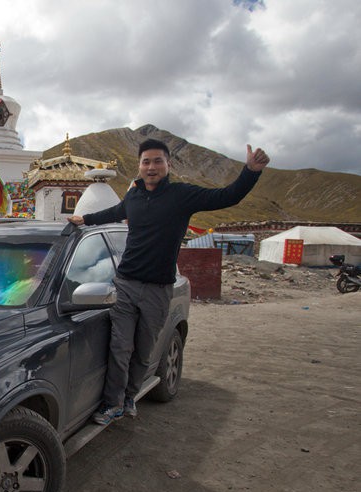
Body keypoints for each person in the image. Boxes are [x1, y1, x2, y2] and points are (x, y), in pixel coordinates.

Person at [68, 139, 270, 425]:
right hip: (124, 285)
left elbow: (227, 197)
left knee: (144, 349)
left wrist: (250, 171)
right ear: (140, 166)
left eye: (157, 161)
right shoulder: (135, 196)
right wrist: (83, 219)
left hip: (157, 289)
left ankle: (129, 397)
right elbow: (114, 213)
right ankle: (113, 403)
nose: (151, 167)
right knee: (120, 347)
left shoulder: (182, 195)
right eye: (146, 161)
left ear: (168, 165)